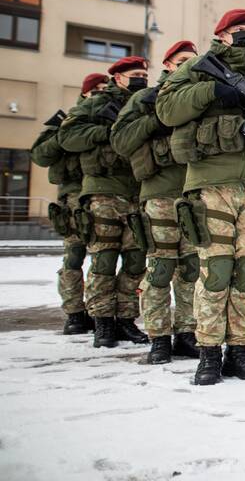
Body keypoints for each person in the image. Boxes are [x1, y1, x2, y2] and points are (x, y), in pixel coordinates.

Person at [156, 9, 245, 385]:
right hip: (212, 183)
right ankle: (209, 352)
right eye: (240, 31)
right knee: (216, 272)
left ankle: (240, 350)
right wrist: (213, 89)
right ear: (222, 35)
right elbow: (166, 109)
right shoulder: (200, 67)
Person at [110, 41, 200, 364]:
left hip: (193, 195)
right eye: (182, 61)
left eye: (193, 60)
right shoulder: (145, 99)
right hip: (159, 194)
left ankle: (187, 333)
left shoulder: (196, 97)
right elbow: (120, 141)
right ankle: (159, 337)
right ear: (168, 65)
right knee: (161, 268)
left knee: (192, 269)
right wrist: (154, 121)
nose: (189, 64)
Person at [59, 57, 151, 348]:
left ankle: (126, 319)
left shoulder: (145, 103)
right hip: (103, 191)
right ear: (118, 78)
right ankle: (102, 322)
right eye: (135, 74)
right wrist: (108, 132)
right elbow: (68, 136)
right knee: (104, 258)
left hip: (137, 192)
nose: (141, 79)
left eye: (144, 74)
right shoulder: (95, 104)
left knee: (136, 261)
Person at [31, 72, 107, 335]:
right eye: (96, 88)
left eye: (105, 87)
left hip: (104, 193)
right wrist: (63, 134)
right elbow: (40, 155)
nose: (102, 91)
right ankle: (75, 312)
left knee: (103, 258)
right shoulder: (69, 120)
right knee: (74, 256)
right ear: (85, 92)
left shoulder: (110, 117)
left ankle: (101, 312)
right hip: (74, 195)